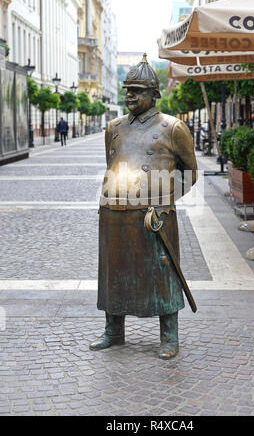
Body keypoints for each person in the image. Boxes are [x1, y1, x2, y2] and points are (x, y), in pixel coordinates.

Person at [89, 54, 197, 360]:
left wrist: (163, 203)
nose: (129, 96)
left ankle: (169, 335)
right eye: (127, 90)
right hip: (114, 213)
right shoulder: (113, 127)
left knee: (162, 274)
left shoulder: (173, 128)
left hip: (154, 217)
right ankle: (113, 330)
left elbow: (190, 173)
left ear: (154, 95)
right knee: (114, 271)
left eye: (136, 91)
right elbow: (113, 164)